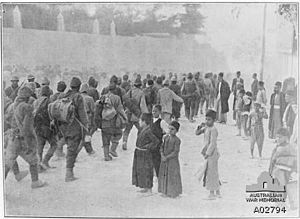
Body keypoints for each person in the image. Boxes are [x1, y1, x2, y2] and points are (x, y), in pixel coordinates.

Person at [5, 86, 46, 188]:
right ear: (28, 96)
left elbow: (6, 121)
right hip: (23, 138)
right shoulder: (27, 107)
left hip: (13, 137)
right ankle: (35, 182)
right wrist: (29, 142)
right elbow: (27, 128)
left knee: (9, 161)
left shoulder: (12, 105)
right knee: (33, 159)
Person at [57, 77, 88, 182]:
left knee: (70, 149)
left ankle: (69, 171)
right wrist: (86, 127)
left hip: (64, 127)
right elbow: (82, 114)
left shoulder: (64, 96)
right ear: (79, 87)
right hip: (75, 128)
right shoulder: (78, 97)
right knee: (72, 150)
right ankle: (69, 174)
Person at [195, 110, 221, 199]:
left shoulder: (213, 130)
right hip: (208, 153)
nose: (207, 121)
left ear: (214, 120)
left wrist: (207, 153)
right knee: (213, 172)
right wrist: (199, 127)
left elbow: (213, 143)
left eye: (209, 119)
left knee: (211, 173)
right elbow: (197, 133)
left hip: (212, 154)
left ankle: (212, 193)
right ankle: (217, 191)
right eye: (206, 119)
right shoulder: (206, 128)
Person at [269, 128, 297, 209]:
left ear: (286, 137)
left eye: (280, 137)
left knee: (282, 187)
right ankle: (290, 204)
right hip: (285, 171)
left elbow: (272, 160)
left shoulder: (278, 149)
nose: (277, 139)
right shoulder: (291, 148)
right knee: (286, 187)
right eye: (277, 137)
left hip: (280, 171)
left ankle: (282, 203)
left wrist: (270, 171)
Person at [98, 83, 127, 160]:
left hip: (104, 121)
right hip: (113, 121)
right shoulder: (117, 98)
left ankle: (106, 156)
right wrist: (124, 118)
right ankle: (113, 149)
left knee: (105, 138)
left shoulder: (102, 97)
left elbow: (98, 109)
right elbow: (120, 109)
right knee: (118, 134)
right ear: (115, 90)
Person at [132, 113, 159, 193]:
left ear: (145, 121)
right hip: (139, 153)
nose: (139, 122)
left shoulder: (148, 131)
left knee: (147, 170)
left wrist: (148, 147)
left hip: (145, 154)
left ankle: (149, 188)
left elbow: (156, 141)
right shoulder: (142, 130)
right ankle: (144, 187)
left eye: (141, 120)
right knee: (141, 170)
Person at [33, 85, 57, 172]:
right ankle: (45, 161)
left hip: (37, 127)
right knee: (54, 145)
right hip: (46, 127)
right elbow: (52, 115)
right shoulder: (49, 101)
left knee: (40, 147)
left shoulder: (35, 102)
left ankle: (39, 166)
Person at [122, 78, 149, 150]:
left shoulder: (130, 91)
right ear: (140, 85)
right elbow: (142, 105)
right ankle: (139, 142)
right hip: (136, 115)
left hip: (129, 114)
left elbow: (125, 101)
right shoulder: (141, 93)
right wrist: (145, 114)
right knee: (140, 129)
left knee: (127, 130)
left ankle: (124, 142)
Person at [158, 120, 182, 198]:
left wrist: (167, 157)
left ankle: (173, 192)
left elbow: (175, 152)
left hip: (172, 161)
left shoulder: (177, 140)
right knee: (164, 175)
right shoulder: (165, 138)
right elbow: (161, 147)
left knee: (172, 176)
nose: (170, 131)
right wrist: (162, 155)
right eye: (169, 129)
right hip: (164, 160)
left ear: (177, 131)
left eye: (173, 129)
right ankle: (164, 191)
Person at [50, 81, 67, 158]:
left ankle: (58, 152)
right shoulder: (65, 96)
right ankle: (59, 151)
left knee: (57, 135)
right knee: (63, 136)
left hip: (54, 118)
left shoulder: (52, 96)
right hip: (62, 119)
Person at [151, 104, 169, 178]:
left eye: (155, 111)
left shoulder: (162, 122)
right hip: (150, 145)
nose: (154, 113)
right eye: (153, 111)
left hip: (157, 145)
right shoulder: (150, 121)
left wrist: (163, 139)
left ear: (160, 112)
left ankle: (159, 178)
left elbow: (168, 132)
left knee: (157, 162)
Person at [79, 83, 96, 155]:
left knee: (84, 135)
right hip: (87, 117)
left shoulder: (77, 97)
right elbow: (93, 110)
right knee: (87, 134)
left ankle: (89, 150)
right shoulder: (90, 98)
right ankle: (88, 150)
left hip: (79, 118)